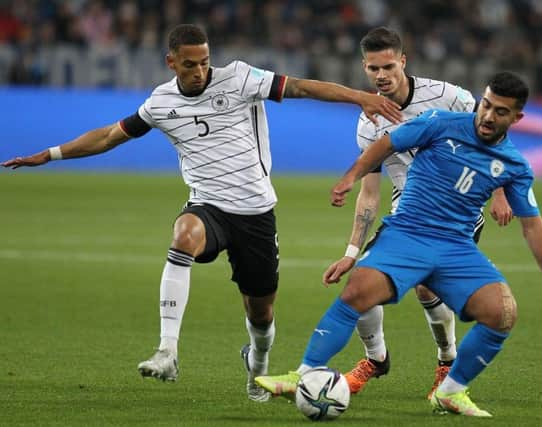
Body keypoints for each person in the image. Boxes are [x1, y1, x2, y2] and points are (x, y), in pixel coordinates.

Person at [1, 24, 403, 403]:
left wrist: (359, 96)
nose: (200, 71)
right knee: (183, 235)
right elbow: (109, 135)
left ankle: (256, 367)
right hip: (208, 206)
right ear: (171, 62)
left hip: (256, 212)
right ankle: (167, 351)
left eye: (205, 61)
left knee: (260, 312)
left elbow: (300, 86)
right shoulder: (161, 103)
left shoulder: (240, 79)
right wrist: (50, 154)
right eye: (190, 64)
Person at [255, 71, 542, 417]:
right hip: (407, 232)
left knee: (502, 313)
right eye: (486, 105)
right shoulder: (440, 122)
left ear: (517, 118)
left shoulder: (515, 165)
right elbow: (387, 144)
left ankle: (451, 391)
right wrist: (352, 175)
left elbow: (532, 226)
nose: (487, 116)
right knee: (358, 290)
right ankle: (302, 375)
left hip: (456, 247)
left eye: (500, 111)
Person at [322, 27, 513, 399]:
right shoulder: (368, 123)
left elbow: (494, 130)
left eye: (388, 66)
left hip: (455, 212)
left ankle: (446, 360)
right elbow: (369, 193)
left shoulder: (448, 97)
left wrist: (501, 190)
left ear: (403, 62)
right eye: (374, 68)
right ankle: (375, 359)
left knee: (427, 285)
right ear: (364, 68)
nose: (382, 75)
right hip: (406, 217)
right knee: (359, 286)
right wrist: (349, 252)